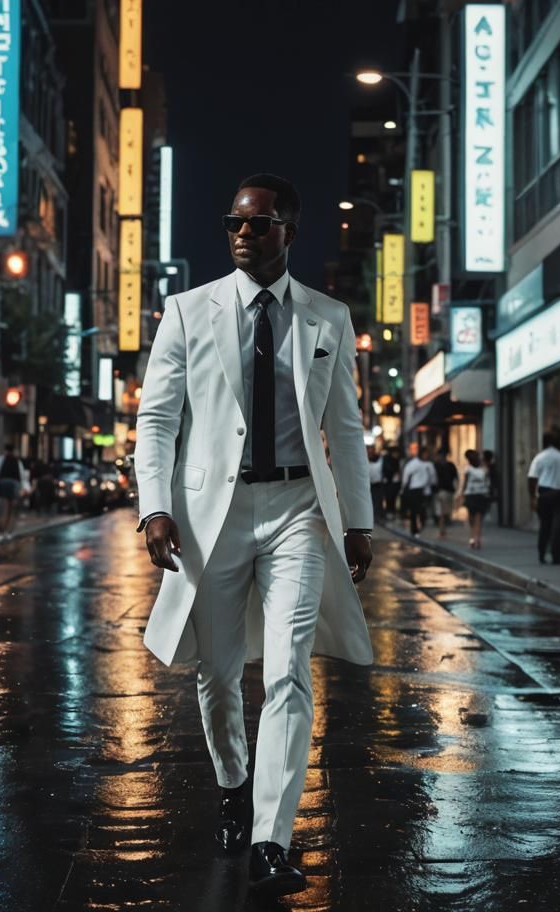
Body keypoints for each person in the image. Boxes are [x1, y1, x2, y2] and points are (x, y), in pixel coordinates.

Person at [135, 174, 373, 899]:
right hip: (215, 514)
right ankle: (235, 785)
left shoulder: (330, 318)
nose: (243, 233)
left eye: (259, 224)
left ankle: (272, 836)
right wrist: (154, 508)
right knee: (218, 670)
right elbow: (156, 421)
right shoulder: (185, 311)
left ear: (288, 233)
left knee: (288, 667)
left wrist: (357, 520)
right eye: (234, 222)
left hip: (300, 507)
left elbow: (346, 429)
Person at [528, 431, 560, 565]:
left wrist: (533, 497)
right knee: (559, 526)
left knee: (545, 525)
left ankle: (542, 553)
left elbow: (532, 478)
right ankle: (557, 555)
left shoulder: (540, 457)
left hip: (544, 493)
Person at [457, 449, 490, 550]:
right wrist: (461, 494)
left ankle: (475, 538)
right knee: (474, 518)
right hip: (473, 494)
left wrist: (461, 494)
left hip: (478, 494)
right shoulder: (470, 469)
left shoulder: (483, 469)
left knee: (477, 518)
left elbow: (486, 481)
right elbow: (465, 483)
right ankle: (474, 537)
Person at [0, 443, 23, 537]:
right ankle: (7, 527)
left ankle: (1, 523)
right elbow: (21, 474)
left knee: (2, 504)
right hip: (14, 482)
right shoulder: (17, 461)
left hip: (2, 481)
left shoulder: (0, 459)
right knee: (11, 505)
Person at [401, 443, 436, 537]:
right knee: (414, 510)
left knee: (422, 510)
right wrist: (404, 487)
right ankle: (414, 529)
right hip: (414, 490)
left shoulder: (429, 464)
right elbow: (406, 476)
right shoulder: (413, 464)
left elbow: (433, 478)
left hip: (425, 490)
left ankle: (420, 526)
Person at [433, 447, 459, 539]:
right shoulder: (450, 465)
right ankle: (443, 530)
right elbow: (456, 478)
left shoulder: (436, 465)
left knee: (441, 512)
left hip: (440, 490)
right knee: (445, 511)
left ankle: (442, 530)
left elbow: (432, 478)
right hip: (448, 490)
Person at [368, 449, 385, 519]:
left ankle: (375, 515)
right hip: (378, 484)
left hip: (372, 485)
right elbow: (381, 460)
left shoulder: (368, 465)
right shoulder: (378, 465)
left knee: (374, 500)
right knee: (378, 500)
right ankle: (378, 515)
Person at [482, 449, 498, 521]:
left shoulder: (490, 468)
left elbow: (490, 480)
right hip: (489, 489)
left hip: (489, 489)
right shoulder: (490, 467)